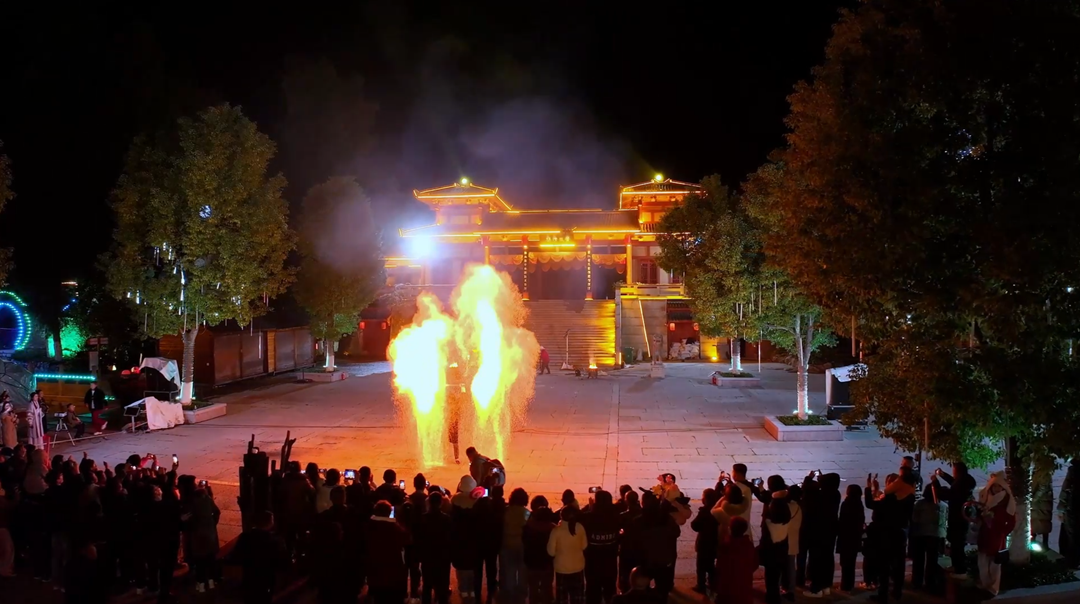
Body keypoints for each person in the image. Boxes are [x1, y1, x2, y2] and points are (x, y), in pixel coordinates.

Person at [228, 510, 286, 604]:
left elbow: (236, 557)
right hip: (266, 579)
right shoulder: (273, 540)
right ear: (269, 523)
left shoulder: (245, 537)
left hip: (249, 578)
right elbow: (279, 560)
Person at [932, 461, 976, 576]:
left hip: (957, 517)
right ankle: (958, 566)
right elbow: (955, 484)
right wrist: (943, 475)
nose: (953, 473)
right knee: (958, 543)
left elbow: (946, 494)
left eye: (954, 471)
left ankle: (959, 568)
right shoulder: (966, 482)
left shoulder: (959, 486)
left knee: (957, 544)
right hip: (962, 517)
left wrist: (935, 482)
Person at [976, 472, 1016, 597]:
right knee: (982, 561)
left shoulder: (1006, 501)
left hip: (997, 536)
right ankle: (985, 583)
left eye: (999, 486)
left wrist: (1002, 531)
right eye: (995, 486)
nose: (997, 489)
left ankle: (993, 588)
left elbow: (1011, 521)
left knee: (995, 563)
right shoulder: (985, 498)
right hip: (985, 534)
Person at [366, 500, 411, 604]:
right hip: (393, 570)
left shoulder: (369, 526)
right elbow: (407, 539)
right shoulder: (395, 528)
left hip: (375, 569)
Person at [805, 473, 841, 597]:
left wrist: (809, 479)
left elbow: (807, 490)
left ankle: (816, 589)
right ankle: (826, 586)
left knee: (816, 559)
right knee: (827, 558)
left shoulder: (820, 495)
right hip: (830, 530)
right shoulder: (835, 493)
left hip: (818, 530)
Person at [581, 490, 620, 604]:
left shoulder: (589, 517)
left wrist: (589, 507)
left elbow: (578, 515)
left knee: (592, 591)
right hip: (610, 562)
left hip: (592, 562)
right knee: (610, 590)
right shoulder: (616, 516)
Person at [417, 491, 454, 604]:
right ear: (441, 503)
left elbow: (419, 538)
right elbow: (450, 538)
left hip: (427, 556)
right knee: (443, 585)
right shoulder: (446, 519)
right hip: (443, 557)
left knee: (427, 585)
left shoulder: (422, 518)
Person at [910, 483, 947, 591]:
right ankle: (930, 582)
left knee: (918, 559)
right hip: (935, 534)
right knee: (932, 560)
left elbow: (914, 518)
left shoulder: (920, 504)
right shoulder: (943, 505)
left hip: (920, 533)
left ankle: (917, 582)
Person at [548, 506, 587, 604]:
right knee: (577, 598)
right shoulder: (580, 527)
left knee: (562, 599)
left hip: (562, 570)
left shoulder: (556, 531)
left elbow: (551, 552)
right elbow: (584, 546)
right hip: (578, 568)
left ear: (561, 516)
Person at [451, 476, 482, 602]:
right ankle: (472, 590)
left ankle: (463, 590)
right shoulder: (477, 501)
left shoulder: (455, 499)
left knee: (461, 568)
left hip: (459, 540)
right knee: (472, 567)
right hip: (473, 541)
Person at [523, 495, 558, 604]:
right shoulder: (553, 529)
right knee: (547, 589)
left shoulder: (528, 527)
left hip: (532, 564)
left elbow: (524, 544)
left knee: (533, 590)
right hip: (547, 565)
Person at [715, 517, 758, 604]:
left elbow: (720, 566)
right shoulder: (748, 545)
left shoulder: (726, 546)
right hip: (744, 588)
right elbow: (755, 564)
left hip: (727, 589)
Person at [187, 486, 221, 593]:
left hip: (198, 535)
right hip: (210, 533)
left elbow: (189, 518)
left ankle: (201, 583)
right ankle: (211, 581)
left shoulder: (192, 503)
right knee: (210, 558)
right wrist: (213, 522)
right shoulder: (208, 501)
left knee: (200, 560)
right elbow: (217, 512)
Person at [502, 487, 531, 604]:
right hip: (522, 545)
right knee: (522, 569)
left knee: (510, 569)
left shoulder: (506, 511)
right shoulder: (526, 513)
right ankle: (522, 593)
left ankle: (510, 592)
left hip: (508, 543)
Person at [762, 498, 792, 604]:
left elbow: (764, 541)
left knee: (770, 580)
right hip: (782, 555)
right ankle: (776, 597)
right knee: (776, 577)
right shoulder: (786, 522)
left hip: (771, 556)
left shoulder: (768, 524)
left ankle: (771, 598)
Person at [836, 484, 865, 593]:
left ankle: (845, 585)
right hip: (855, 537)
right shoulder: (859, 504)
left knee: (845, 563)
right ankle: (849, 584)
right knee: (851, 562)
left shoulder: (846, 504)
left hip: (845, 537)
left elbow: (842, 520)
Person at [691, 488, 720, 595]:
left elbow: (695, 525)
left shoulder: (704, 511)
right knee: (710, 564)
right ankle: (712, 583)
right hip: (714, 542)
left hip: (704, 542)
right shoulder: (717, 510)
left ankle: (701, 585)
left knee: (701, 566)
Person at [1059, 457, 1080, 568]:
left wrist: (1061, 507)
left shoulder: (1074, 470)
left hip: (1073, 506)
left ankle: (1071, 561)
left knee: (1071, 534)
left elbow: (1066, 489)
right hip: (1074, 506)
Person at [1031, 465, 1054, 549]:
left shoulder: (1044, 473)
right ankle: (1036, 545)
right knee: (1037, 524)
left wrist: (1033, 499)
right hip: (1041, 504)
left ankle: (1043, 546)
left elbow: (1042, 488)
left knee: (1042, 524)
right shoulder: (1038, 471)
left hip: (1041, 503)